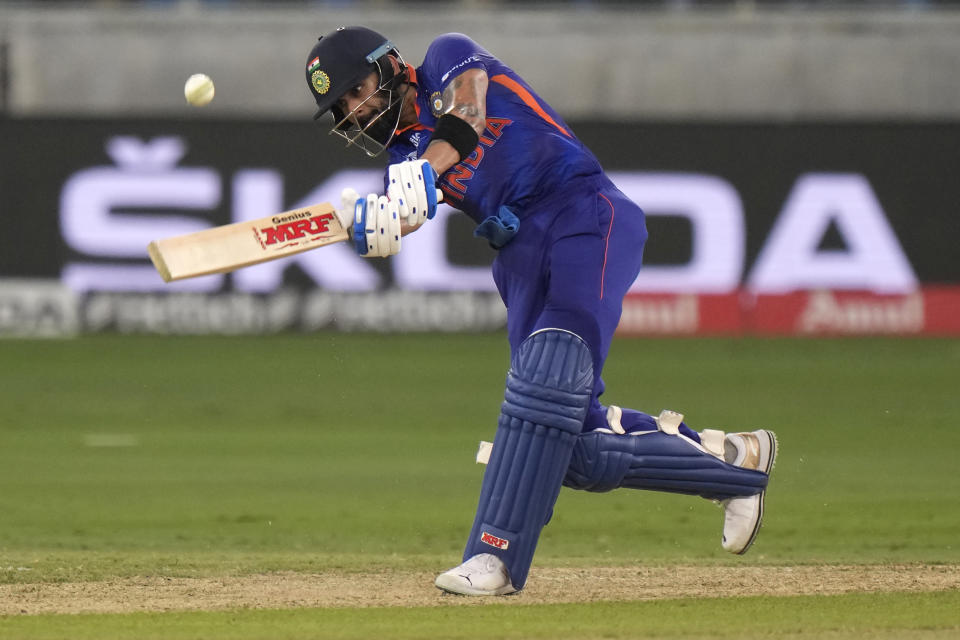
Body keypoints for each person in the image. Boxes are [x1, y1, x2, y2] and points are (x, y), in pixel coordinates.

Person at [304, 26, 777, 596]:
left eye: (357, 90)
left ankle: (493, 557)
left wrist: (423, 172)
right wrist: (375, 224)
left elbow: (468, 114)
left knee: (550, 369)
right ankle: (732, 466)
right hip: (518, 254)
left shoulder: (446, 60)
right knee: (569, 443)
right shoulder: (401, 164)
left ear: (389, 65)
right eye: (344, 108)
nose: (356, 111)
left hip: (584, 213)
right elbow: (402, 214)